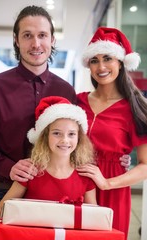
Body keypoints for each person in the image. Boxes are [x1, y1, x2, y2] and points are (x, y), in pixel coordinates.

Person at [0, 5, 77, 223]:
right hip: (4, 190)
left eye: (42, 35)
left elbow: (75, 140)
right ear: (16, 40)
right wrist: (8, 167)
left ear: (53, 40)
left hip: (54, 194)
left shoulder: (66, 90)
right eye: (27, 35)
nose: (36, 44)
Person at [0, 96, 97, 240]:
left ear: (79, 138)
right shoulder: (31, 172)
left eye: (71, 134)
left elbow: (94, 221)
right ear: (45, 137)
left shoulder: (85, 176)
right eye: (56, 133)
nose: (65, 140)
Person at [76, 26, 147, 240]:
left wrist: (107, 183)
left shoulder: (135, 107)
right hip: (75, 185)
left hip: (112, 191)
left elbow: (145, 165)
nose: (101, 66)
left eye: (108, 58)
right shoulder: (77, 101)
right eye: (94, 60)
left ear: (120, 62)